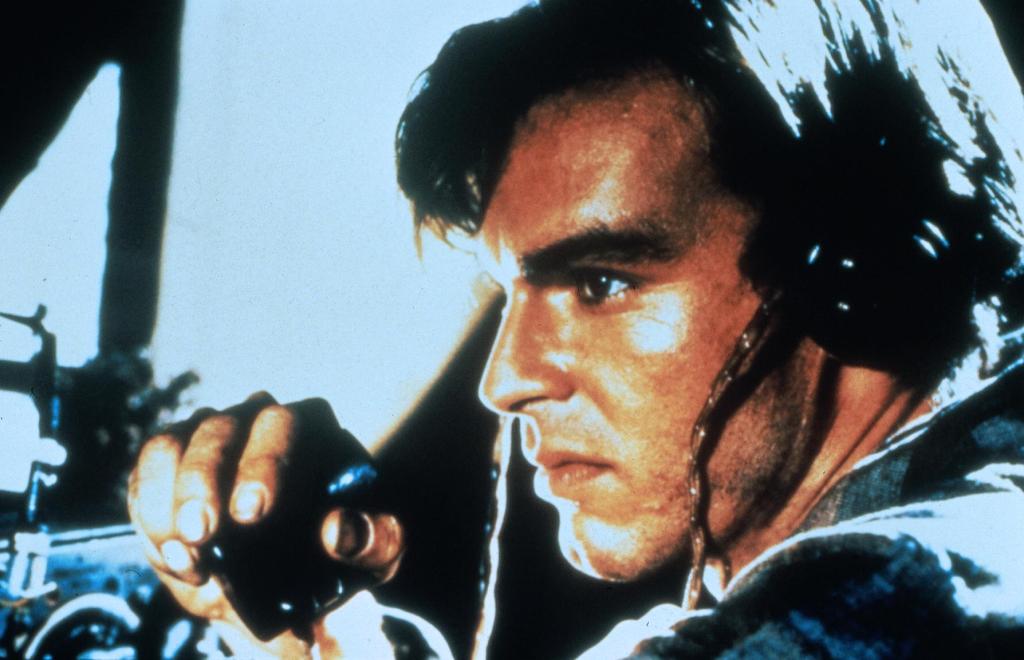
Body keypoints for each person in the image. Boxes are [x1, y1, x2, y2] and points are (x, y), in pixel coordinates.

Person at [128, 0, 1024, 657]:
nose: (505, 381)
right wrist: (322, 638)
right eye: (508, 292)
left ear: (856, 268)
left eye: (600, 282)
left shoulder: (904, 592)